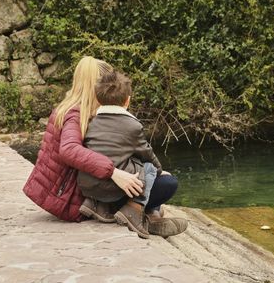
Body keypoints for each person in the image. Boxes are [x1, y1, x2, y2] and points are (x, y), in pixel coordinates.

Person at [23, 56, 186, 238]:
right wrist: (114, 173)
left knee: (148, 176)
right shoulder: (75, 114)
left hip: (72, 193)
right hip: (74, 201)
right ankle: (145, 214)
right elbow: (69, 149)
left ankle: (151, 216)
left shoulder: (71, 109)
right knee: (166, 184)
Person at [77, 71, 186, 238]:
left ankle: (100, 206)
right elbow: (147, 154)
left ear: (98, 100)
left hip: (89, 187)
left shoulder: (91, 122)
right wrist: (159, 171)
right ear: (127, 100)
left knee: (130, 160)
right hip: (117, 189)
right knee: (163, 179)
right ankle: (135, 210)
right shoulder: (132, 125)